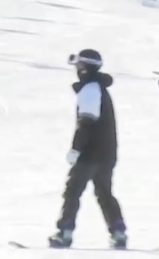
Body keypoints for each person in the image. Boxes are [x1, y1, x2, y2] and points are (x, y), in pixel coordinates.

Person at [49, 49, 127, 249]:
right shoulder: (99, 88)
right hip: (107, 153)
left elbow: (87, 123)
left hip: (90, 154)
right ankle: (119, 232)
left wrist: (76, 149)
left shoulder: (91, 89)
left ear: (84, 68)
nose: (76, 69)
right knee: (104, 193)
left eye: (78, 65)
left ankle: (65, 233)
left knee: (73, 191)